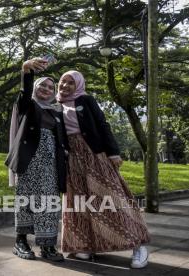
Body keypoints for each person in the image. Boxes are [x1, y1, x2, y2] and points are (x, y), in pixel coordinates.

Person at [57, 70, 151, 269]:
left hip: (95, 154)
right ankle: (85, 245)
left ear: (78, 85)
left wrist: (113, 152)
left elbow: (102, 124)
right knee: (80, 202)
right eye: (62, 82)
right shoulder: (55, 106)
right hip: (73, 160)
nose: (64, 86)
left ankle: (139, 245)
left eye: (70, 83)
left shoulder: (86, 100)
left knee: (113, 199)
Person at [5, 58, 68, 262]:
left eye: (51, 87)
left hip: (51, 165)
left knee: (49, 203)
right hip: (29, 160)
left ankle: (47, 245)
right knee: (26, 200)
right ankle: (20, 242)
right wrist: (26, 70)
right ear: (35, 87)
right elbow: (24, 92)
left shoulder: (57, 111)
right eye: (43, 85)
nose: (47, 89)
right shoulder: (27, 106)